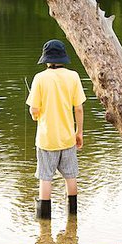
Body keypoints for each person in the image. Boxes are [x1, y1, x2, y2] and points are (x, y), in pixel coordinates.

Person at [26, 39, 86, 219]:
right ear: (63, 57)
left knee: (45, 178)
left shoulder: (40, 78)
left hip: (46, 140)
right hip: (67, 137)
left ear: (46, 59)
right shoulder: (73, 76)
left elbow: (34, 109)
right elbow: (79, 108)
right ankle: (72, 215)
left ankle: (44, 222)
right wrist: (79, 132)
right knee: (71, 176)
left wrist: (34, 114)